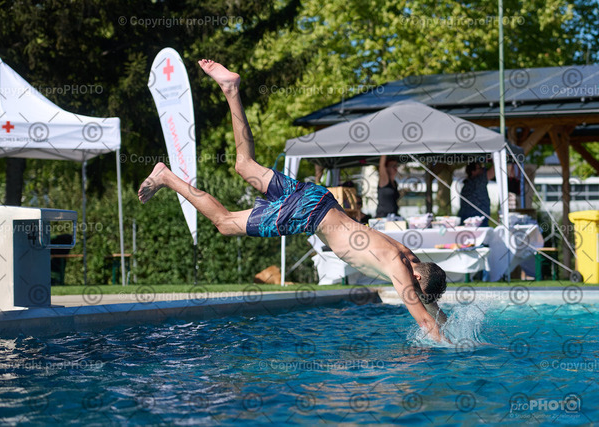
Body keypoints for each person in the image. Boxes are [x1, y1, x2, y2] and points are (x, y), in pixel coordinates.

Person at [138, 59, 448, 341]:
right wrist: (450, 352)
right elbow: (424, 321)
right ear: (415, 275)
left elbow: (430, 307)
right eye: (414, 287)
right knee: (225, 223)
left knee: (244, 165)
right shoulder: (399, 266)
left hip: (319, 198)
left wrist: (446, 322)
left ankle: (231, 90)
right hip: (309, 214)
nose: (410, 290)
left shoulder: (409, 257)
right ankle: (167, 176)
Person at [459, 162, 494, 227]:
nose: (482, 169)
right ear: (473, 171)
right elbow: (493, 171)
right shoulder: (478, 181)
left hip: (467, 220)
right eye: (479, 168)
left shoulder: (467, 184)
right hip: (477, 222)